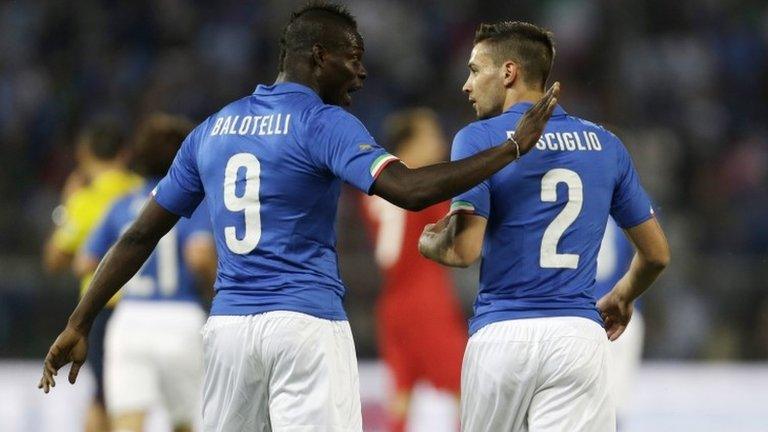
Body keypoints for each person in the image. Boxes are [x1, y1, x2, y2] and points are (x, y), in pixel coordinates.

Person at [39, 3, 559, 431]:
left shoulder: (213, 129)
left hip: (229, 332)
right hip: (304, 326)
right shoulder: (324, 123)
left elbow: (138, 235)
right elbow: (409, 189)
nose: (362, 71)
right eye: (353, 57)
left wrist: (79, 321)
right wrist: (510, 147)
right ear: (319, 55)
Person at [418, 21, 670, 432]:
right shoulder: (605, 144)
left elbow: (463, 251)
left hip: (502, 336)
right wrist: (623, 296)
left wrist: (429, 243)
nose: (466, 85)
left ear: (508, 72)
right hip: (576, 337)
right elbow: (657, 254)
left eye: (475, 70)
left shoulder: (477, 139)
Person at [75, 114, 217, 432]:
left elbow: (85, 261)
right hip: (180, 316)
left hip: (129, 320)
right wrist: (213, 290)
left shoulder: (121, 204)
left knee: (127, 422)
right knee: (187, 422)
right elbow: (199, 255)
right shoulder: (195, 204)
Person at [360, 109, 466, 432]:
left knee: (401, 402)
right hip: (426, 302)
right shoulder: (423, 190)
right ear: (408, 145)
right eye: (431, 135)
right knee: (470, 388)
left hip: (392, 305)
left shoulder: (373, 188)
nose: (440, 143)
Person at [42, 120, 141, 432]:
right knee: (132, 397)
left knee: (104, 397)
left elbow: (55, 259)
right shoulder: (143, 191)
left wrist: (66, 205)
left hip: (102, 310)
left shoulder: (84, 200)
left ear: (84, 155)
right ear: (125, 153)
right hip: (146, 307)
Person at [595, 217, 645, 427]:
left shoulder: (566, 191)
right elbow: (650, 256)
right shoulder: (628, 196)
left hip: (572, 313)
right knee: (612, 415)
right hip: (620, 315)